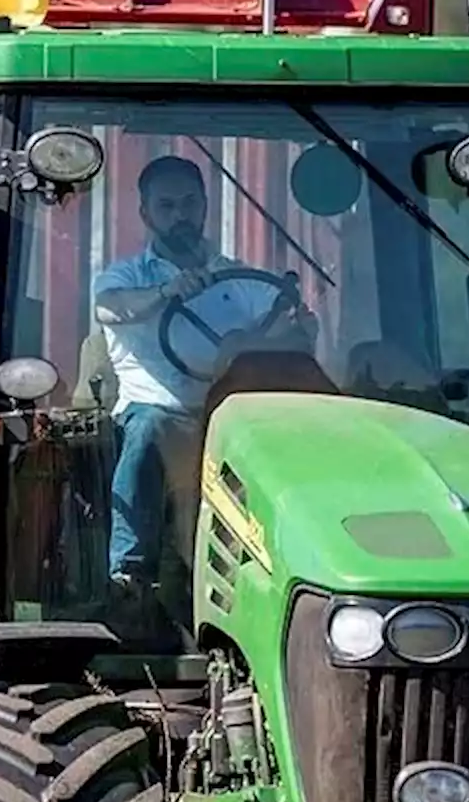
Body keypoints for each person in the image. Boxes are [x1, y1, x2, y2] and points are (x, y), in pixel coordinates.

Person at [92, 155, 316, 589]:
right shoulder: (126, 277)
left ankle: (289, 568)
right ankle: (129, 570)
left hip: (231, 415)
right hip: (158, 410)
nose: (181, 216)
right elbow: (109, 307)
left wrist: (296, 331)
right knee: (148, 428)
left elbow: (284, 332)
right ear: (146, 214)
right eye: (167, 206)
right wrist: (164, 292)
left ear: (205, 207)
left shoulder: (239, 278)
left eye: (190, 204)